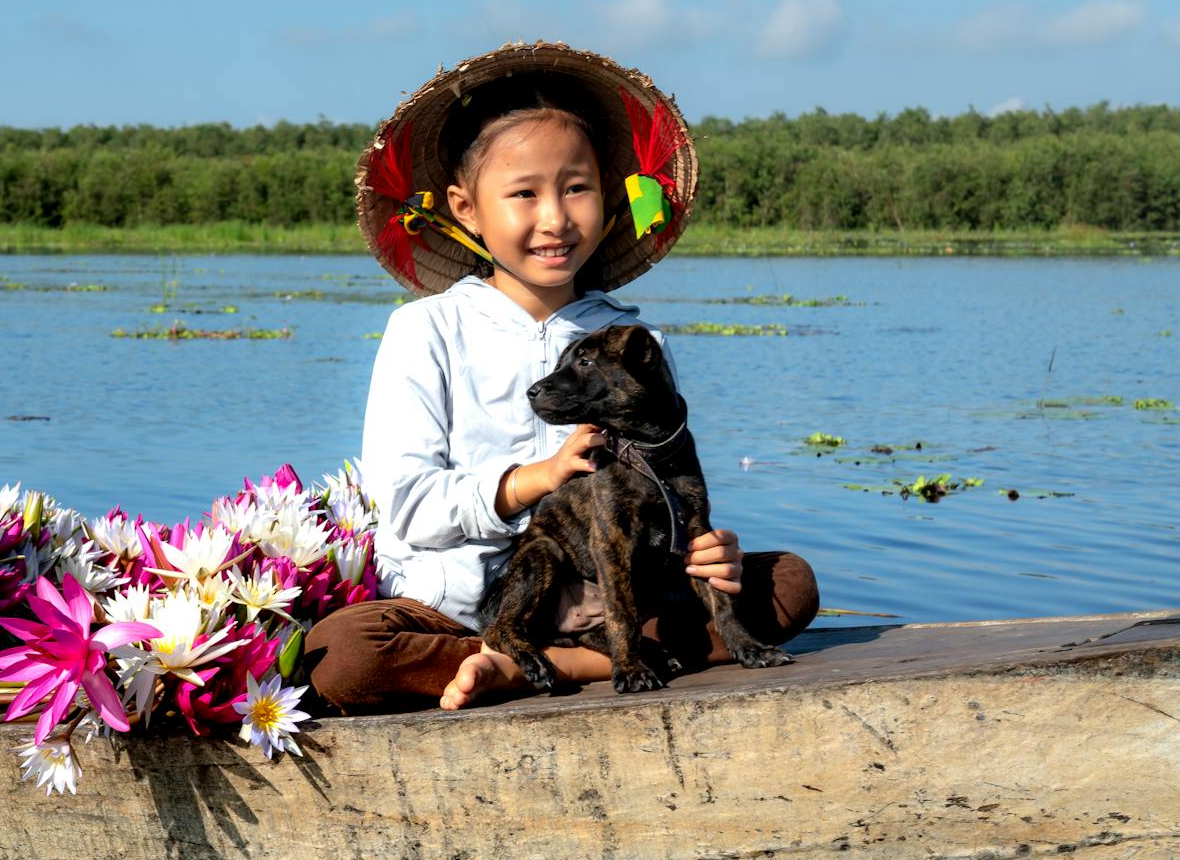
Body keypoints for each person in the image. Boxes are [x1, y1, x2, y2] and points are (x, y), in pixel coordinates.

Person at [305, 43, 819, 714]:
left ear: (605, 195)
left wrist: (705, 554)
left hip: (610, 595)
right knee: (343, 655)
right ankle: (540, 654)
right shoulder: (425, 330)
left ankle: (539, 664)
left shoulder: (634, 343)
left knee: (790, 582)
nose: (555, 218)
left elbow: (664, 484)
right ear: (465, 207)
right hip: (453, 607)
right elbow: (404, 505)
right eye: (524, 194)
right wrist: (537, 478)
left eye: (576, 187)